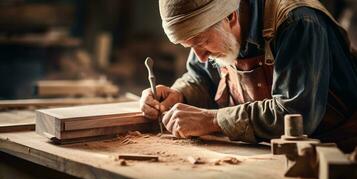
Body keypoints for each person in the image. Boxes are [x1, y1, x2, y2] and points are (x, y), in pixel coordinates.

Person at [140, 0, 357, 152]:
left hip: (338, 153)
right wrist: (179, 94)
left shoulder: (297, 21)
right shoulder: (211, 25)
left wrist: (212, 119)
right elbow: (202, 77)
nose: (201, 57)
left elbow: (294, 115)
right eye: (189, 46)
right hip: (270, 152)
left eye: (201, 42)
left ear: (230, 16)